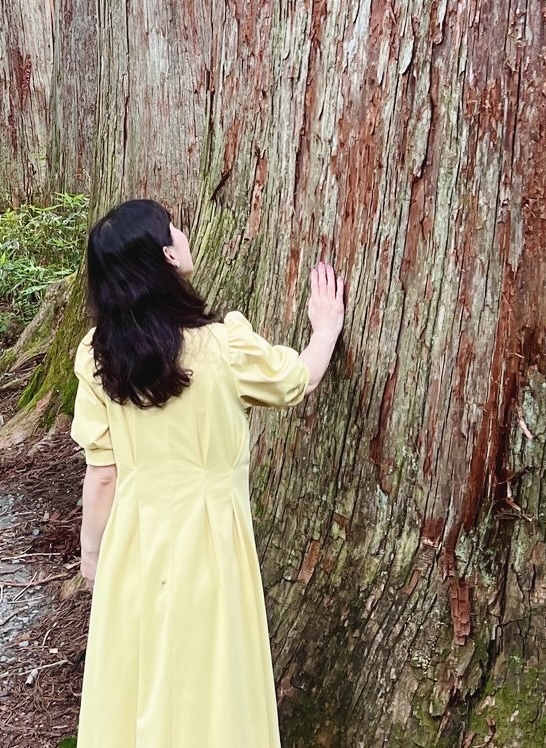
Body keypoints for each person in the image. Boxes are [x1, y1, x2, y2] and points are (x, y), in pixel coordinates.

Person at [69, 199, 345, 747]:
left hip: (136, 541)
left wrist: (93, 556)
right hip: (211, 538)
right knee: (212, 679)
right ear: (168, 255)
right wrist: (326, 330)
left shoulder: (99, 357)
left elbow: (103, 474)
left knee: (139, 676)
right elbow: (298, 382)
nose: (183, 228)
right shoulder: (222, 346)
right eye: (173, 225)